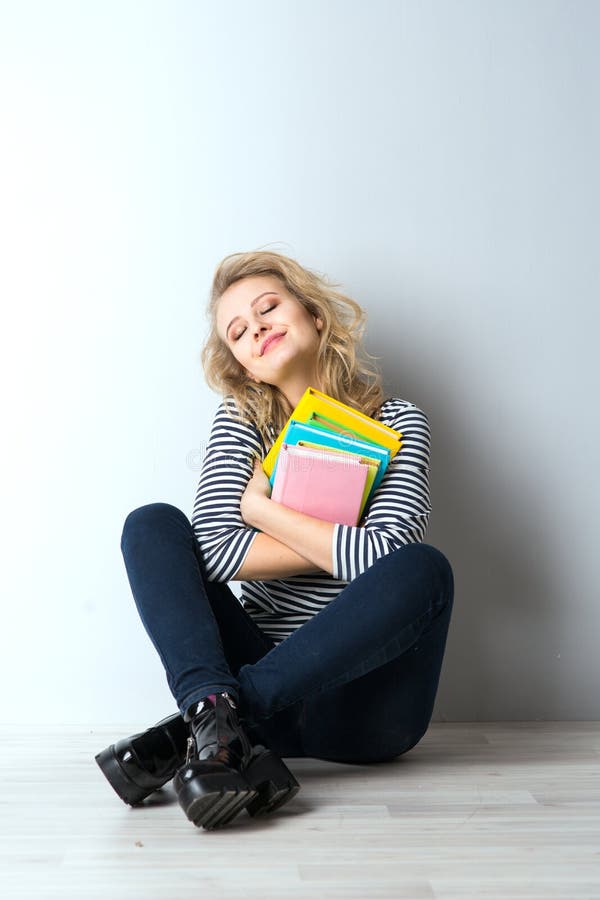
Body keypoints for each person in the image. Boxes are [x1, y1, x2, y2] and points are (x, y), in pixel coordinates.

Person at [95, 249, 454, 831]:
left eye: (268, 308)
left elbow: (392, 561)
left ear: (314, 315)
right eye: (238, 331)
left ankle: (201, 723)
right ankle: (216, 714)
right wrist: (344, 543)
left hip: (366, 712)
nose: (256, 327)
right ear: (243, 365)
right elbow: (213, 553)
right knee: (152, 523)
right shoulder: (242, 421)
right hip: (260, 691)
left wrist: (260, 509)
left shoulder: (400, 421)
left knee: (427, 569)